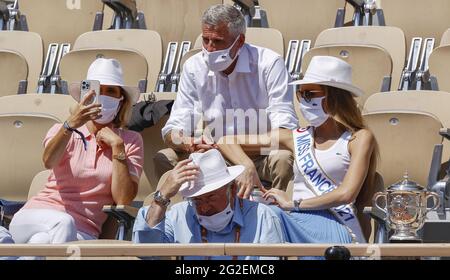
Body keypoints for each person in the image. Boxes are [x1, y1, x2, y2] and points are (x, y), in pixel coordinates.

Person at [218, 56, 379, 244]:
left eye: (310, 94)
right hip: (297, 221)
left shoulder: (358, 138)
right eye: (300, 94)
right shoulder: (294, 137)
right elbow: (226, 141)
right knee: (258, 213)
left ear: (335, 97)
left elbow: (346, 194)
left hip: (336, 224)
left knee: (267, 215)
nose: (303, 100)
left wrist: (293, 204)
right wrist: (247, 166)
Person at [155, 4, 298, 197]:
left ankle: (276, 208)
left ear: (239, 41)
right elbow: (173, 129)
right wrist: (188, 142)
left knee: (283, 158)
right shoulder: (193, 67)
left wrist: (237, 152)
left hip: (261, 153)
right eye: (205, 40)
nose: (209, 48)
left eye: (218, 41)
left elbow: (284, 130)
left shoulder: (269, 63)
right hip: (212, 155)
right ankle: (187, 218)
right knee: (165, 158)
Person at [9, 58, 144, 244]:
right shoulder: (62, 130)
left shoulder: (129, 141)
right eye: (98, 89)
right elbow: (48, 161)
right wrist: (70, 125)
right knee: (62, 224)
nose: (103, 96)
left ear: (121, 101)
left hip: (83, 231)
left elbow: (123, 198)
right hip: (35, 216)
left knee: (40, 241)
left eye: (111, 91)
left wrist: (117, 146)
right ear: (85, 95)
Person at [133, 149, 285, 260]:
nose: (203, 207)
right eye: (197, 200)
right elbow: (146, 253)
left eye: (211, 197)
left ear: (232, 190)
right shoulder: (178, 215)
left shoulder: (262, 217)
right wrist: (162, 196)